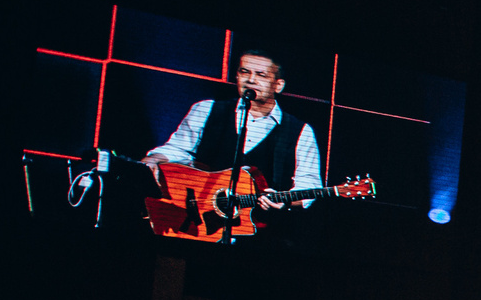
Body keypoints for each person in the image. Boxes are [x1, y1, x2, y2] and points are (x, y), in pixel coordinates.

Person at [106, 50, 324, 213]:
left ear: (278, 85)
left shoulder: (300, 131)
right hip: (197, 215)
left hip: (260, 230)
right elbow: (178, 150)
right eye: (244, 72)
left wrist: (284, 200)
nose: (251, 80)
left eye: (261, 75)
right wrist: (154, 159)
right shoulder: (206, 109)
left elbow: (309, 185)